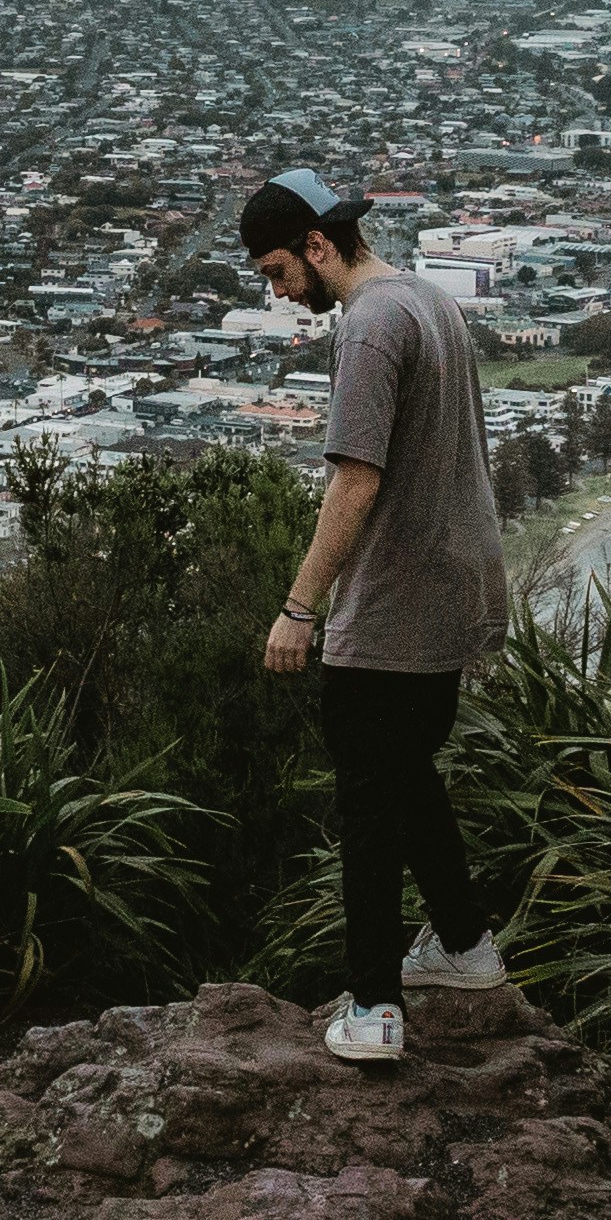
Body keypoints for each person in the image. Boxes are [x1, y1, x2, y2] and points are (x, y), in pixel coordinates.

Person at [243, 167, 509, 1064]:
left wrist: (299, 607)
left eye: (280, 272)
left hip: (391, 600)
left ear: (319, 246)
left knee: (365, 800)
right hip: (456, 590)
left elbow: (355, 475)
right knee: (406, 773)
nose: (281, 295)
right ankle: (466, 949)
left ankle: (375, 1008)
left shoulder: (368, 326)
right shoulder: (431, 300)